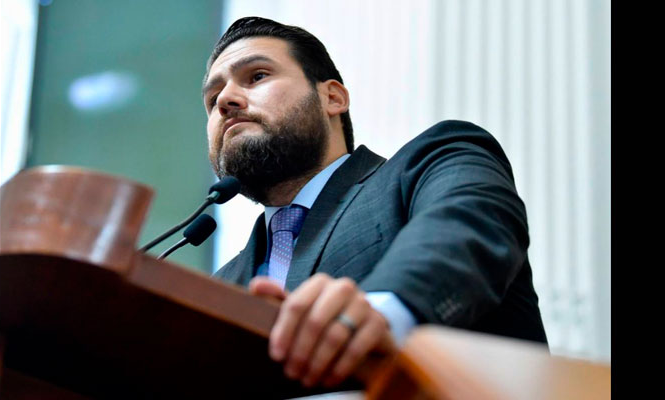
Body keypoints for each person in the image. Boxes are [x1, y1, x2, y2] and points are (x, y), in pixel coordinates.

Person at [202, 16, 548, 389]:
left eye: (256, 76)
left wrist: (380, 311)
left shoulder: (430, 163)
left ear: (332, 98)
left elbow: (468, 226)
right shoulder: (219, 286)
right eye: (211, 99)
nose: (225, 101)